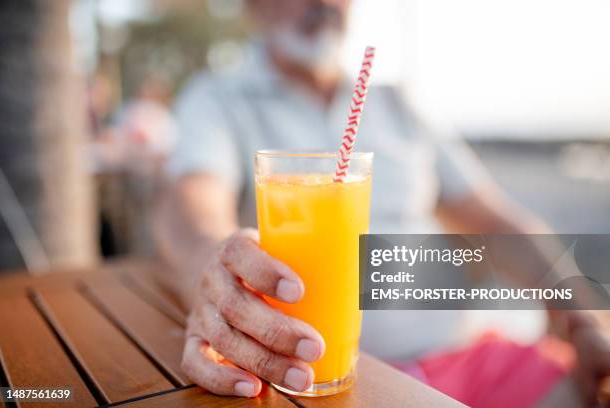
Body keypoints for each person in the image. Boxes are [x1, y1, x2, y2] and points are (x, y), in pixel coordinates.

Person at [155, 0, 610, 405]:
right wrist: (209, 265)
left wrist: (580, 314)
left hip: (472, 355)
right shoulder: (218, 99)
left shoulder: (397, 105)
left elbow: (495, 221)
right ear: (255, 7)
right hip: (334, 378)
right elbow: (188, 210)